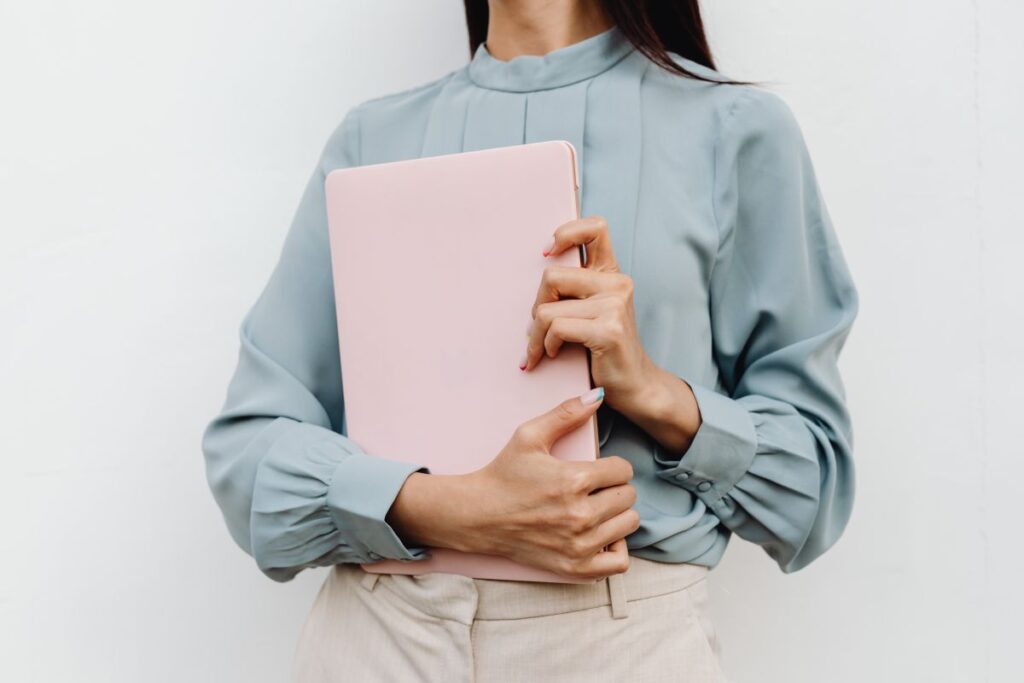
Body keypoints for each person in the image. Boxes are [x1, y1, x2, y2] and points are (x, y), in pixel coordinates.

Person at [201, 1, 859, 680]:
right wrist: (454, 509)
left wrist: (652, 390)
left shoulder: (733, 130)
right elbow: (247, 454)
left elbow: (814, 487)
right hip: (377, 631)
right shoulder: (370, 139)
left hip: (617, 641)